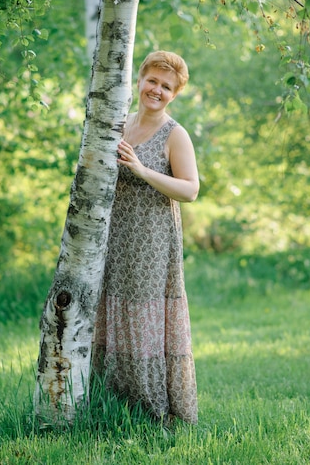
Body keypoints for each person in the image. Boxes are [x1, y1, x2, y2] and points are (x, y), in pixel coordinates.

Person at [93, 50, 199, 424]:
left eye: (166, 86)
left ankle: (154, 410)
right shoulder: (118, 124)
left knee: (143, 318)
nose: (157, 90)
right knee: (110, 311)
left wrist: (140, 169)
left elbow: (190, 190)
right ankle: (110, 401)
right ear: (139, 80)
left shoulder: (175, 134)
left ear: (175, 93)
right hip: (113, 237)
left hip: (153, 240)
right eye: (152, 80)